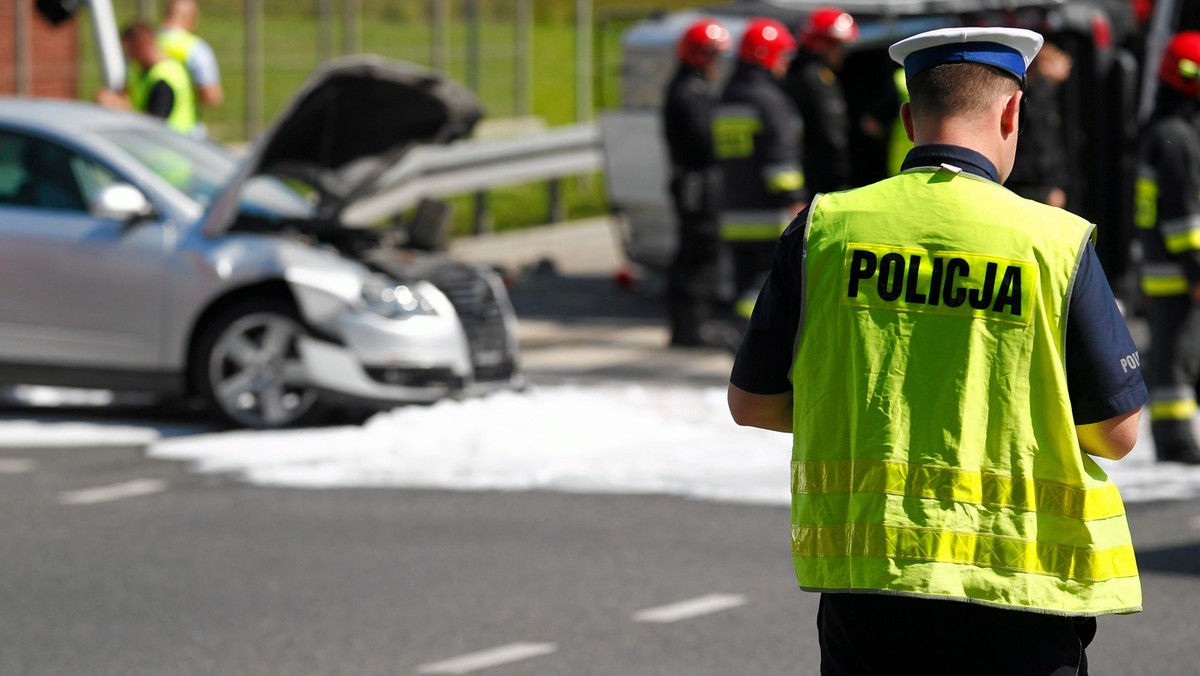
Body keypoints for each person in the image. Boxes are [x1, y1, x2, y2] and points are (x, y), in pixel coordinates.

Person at [728, 26, 1146, 675]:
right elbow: (1117, 432)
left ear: (908, 117)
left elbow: (752, 403)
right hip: (1019, 589)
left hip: (869, 585)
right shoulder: (1055, 244)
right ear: (1012, 112)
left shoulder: (823, 228)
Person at [1135, 31, 1200, 464]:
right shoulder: (1177, 135)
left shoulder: (1164, 130)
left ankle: (1175, 435)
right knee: (1176, 354)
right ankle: (1175, 439)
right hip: (1177, 267)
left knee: (1175, 349)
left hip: (1164, 263)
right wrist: (1196, 270)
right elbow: (1183, 216)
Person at [713, 17, 806, 321]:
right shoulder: (769, 99)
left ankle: (741, 336)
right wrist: (794, 197)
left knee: (744, 280)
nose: (787, 62)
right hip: (768, 214)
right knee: (768, 282)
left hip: (733, 211)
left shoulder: (726, 97)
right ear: (765, 56)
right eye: (783, 55)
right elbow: (780, 156)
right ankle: (742, 326)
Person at [661, 18, 733, 348]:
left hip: (697, 181)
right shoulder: (689, 91)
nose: (719, 63)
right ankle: (691, 328)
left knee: (699, 253)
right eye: (715, 55)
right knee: (698, 253)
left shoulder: (694, 86)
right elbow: (705, 140)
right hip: (696, 183)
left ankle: (692, 324)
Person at [784, 7, 857, 193]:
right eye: (838, 46)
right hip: (821, 179)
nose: (843, 53)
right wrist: (841, 178)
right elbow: (831, 135)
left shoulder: (798, 75)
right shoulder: (817, 79)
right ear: (821, 45)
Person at [97, 22, 197, 135]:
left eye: (130, 50)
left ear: (142, 46)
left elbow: (156, 122)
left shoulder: (165, 78)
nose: (128, 56)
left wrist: (121, 109)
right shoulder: (138, 69)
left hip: (173, 144)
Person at [1007, 41, 1073, 208]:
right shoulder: (1033, 100)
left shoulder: (1043, 96)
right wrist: (1050, 188)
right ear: (1042, 65)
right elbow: (1043, 144)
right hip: (1032, 186)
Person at [157, 0, 224, 137]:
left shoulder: (146, 41)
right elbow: (212, 97)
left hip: (144, 133)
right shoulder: (195, 49)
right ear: (192, 18)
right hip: (184, 134)